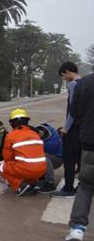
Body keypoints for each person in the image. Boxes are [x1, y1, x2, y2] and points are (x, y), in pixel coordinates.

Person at [65, 72, 94, 241]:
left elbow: (74, 110)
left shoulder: (85, 83)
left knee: (86, 185)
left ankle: (77, 227)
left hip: (90, 142)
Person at [0, 109, 47, 196]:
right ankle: (32, 184)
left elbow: (7, 158)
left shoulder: (10, 135)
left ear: (12, 123)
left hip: (26, 169)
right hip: (42, 170)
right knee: (25, 165)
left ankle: (20, 185)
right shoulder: (35, 134)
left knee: (0, 168)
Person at [53, 62, 81, 198]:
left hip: (73, 129)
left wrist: (65, 129)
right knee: (81, 158)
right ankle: (82, 187)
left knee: (69, 159)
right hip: (84, 128)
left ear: (67, 72)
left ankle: (68, 188)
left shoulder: (73, 85)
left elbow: (72, 110)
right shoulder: (86, 83)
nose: (64, 78)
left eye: (64, 75)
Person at [34, 123, 63, 194]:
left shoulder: (52, 142)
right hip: (50, 154)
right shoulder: (41, 128)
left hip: (57, 159)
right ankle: (42, 176)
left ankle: (50, 183)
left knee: (41, 157)